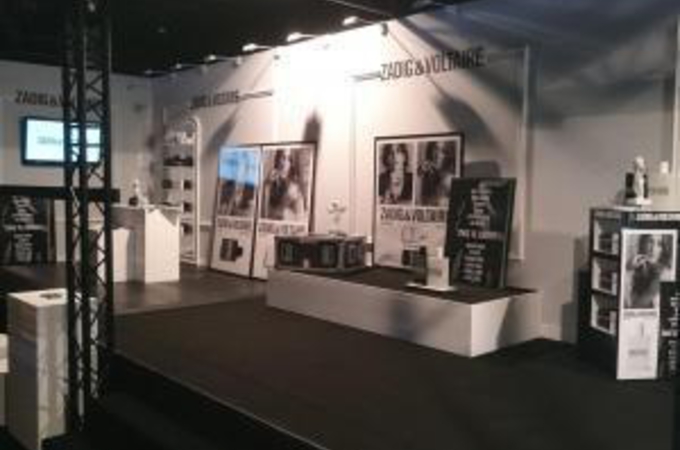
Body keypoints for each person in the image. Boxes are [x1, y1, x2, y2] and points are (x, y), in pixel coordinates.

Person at [625, 233, 674, 309]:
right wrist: (629, 269)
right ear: (643, 244)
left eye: (659, 244)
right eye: (650, 242)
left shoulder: (665, 274)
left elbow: (635, 306)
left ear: (662, 249)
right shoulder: (640, 269)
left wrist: (627, 271)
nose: (653, 249)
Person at [261, 148, 306, 221]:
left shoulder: (295, 189)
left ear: (292, 164)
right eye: (283, 158)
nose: (284, 164)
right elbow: (264, 215)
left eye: (289, 159)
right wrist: (267, 187)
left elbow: (300, 218)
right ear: (277, 160)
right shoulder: (271, 183)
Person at [417, 141, 458, 207]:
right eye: (436, 149)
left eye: (443, 151)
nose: (437, 155)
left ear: (448, 156)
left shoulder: (449, 180)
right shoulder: (430, 174)